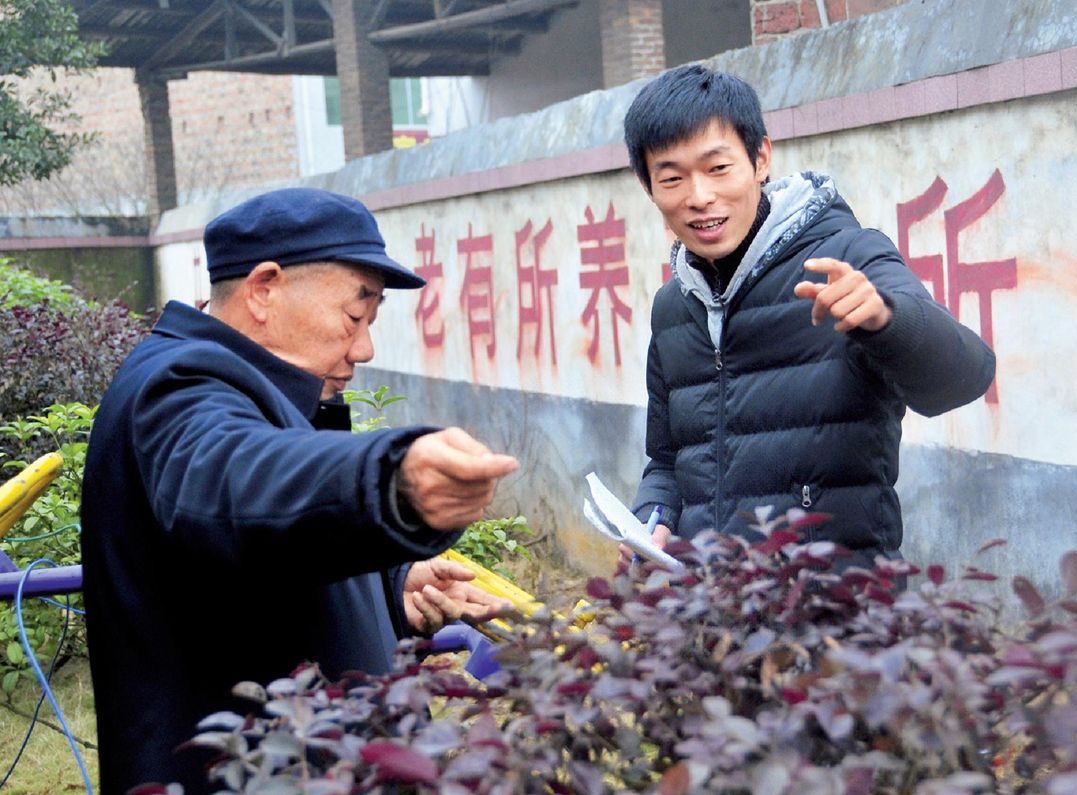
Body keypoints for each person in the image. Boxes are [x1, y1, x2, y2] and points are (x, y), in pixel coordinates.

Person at [81, 187, 519, 793]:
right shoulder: (180, 385)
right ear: (264, 288)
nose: (364, 347)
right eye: (353, 316)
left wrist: (388, 590)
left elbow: (263, 554)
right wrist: (388, 482)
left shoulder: (247, 386)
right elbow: (237, 484)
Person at [621, 65, 995, 570]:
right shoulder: (673, 306)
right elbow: (667, 461)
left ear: (760, 160)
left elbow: (965, 377)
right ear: (650, 188)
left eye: (717, 168)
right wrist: (654, 515)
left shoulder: (848, 257)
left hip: (836, 615)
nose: (699, 197)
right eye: (671, 178)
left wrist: (886, 319)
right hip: (710, 619)